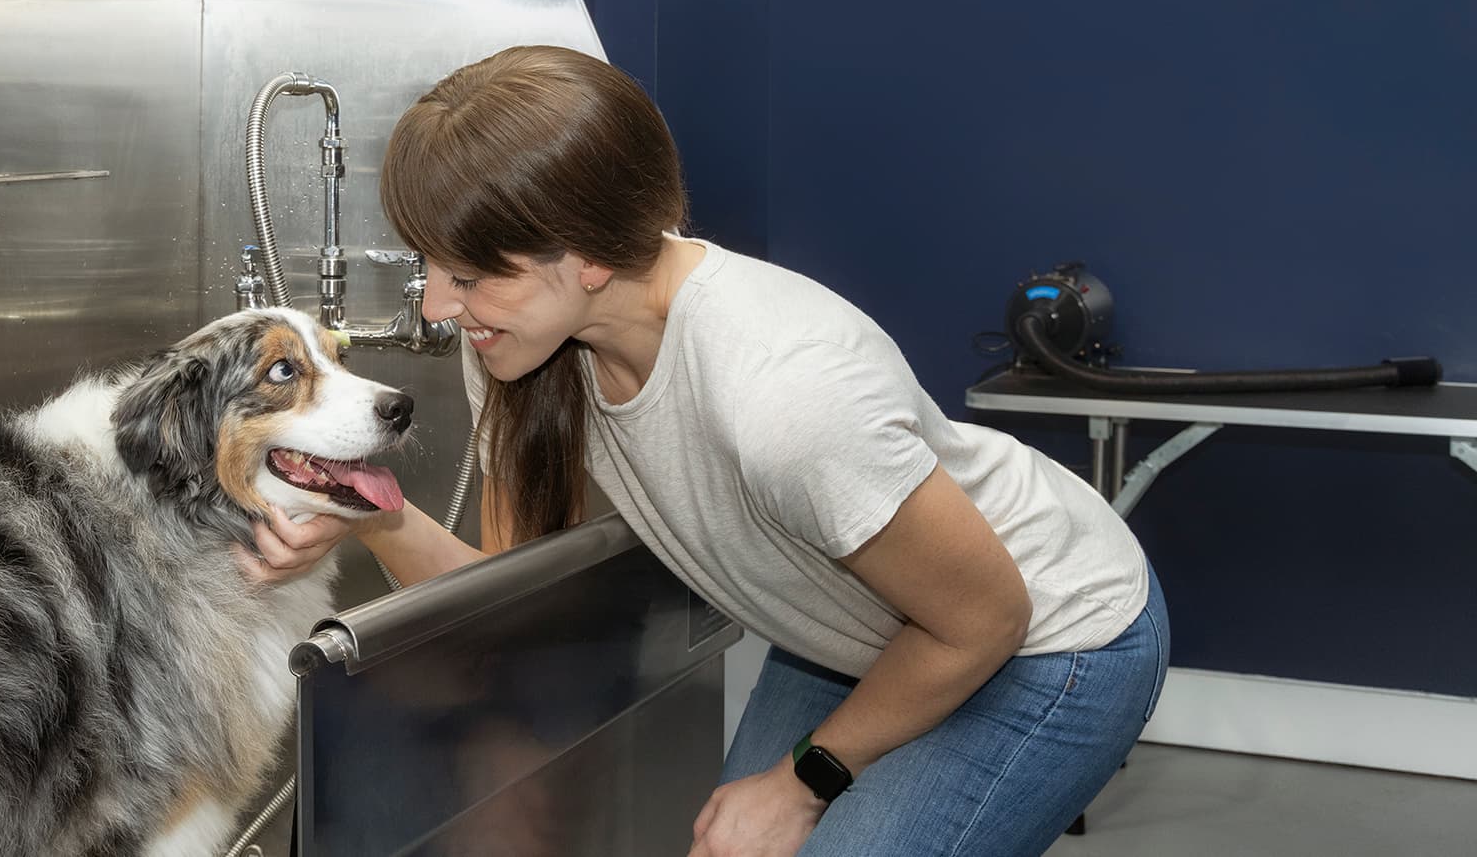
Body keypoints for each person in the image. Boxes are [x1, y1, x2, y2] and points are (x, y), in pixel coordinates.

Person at [242, 45, 1168, 857]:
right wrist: (367, 508)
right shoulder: (520, 350)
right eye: (431, 267)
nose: (440, 307)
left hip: (1050, 636)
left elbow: (983, 619)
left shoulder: (783, 391)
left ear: (589, 256)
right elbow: (514, 608)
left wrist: (804, 782)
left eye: (471, 274)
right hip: (869, 626)